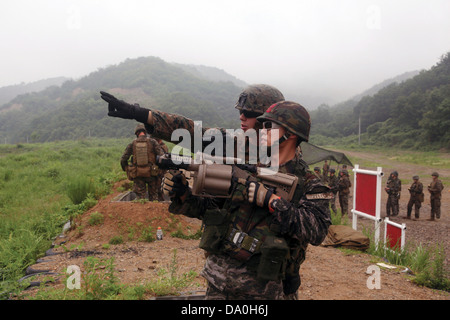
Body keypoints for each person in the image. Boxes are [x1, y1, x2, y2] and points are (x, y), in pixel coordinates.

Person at [162, 101, 332, 300]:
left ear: (292, 133)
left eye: (270, 126)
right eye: (262, 125)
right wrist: (183, 195)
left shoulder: (310, 184)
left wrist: (272, 201)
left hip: (265, 291)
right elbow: (213, 210)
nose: (262, 131)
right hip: (219, 283)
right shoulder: (247, 168)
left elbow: (317, 231)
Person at [120, 124, 164, 200]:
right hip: (152, 174)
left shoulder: (132, 143)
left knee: (140, 198)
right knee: (153, 197)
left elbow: (123, 159)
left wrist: (126, 168)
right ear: (145, 132)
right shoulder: (152, 142)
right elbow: (162, 156)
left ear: (137, 133)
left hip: (138, 174)